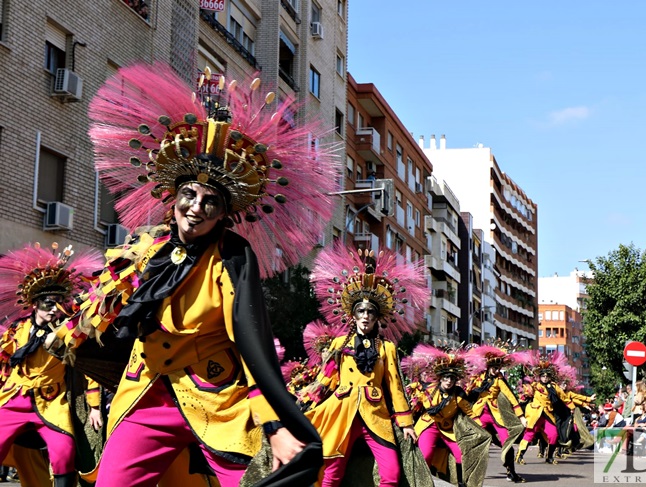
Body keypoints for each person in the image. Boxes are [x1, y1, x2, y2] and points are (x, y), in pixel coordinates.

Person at [53, 63, 339, 487]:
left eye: (210, 202)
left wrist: (275, 426)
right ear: (173, 198)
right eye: (189, 194)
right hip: (145, 393)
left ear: (224, 213)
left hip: (218, 400)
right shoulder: (144, 250)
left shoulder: (232, 257)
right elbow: (102, 313)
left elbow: (250, 344)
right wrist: (77, 328)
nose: (196, 207)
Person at [305, 245, 429, 487]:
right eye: (360, 311)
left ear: (377, 317)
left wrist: (406, 423)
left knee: (391, 475)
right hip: (342, 411)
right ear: (352, 315)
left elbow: (395, 387)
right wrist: (305, 401)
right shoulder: (339, 344)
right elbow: (327, 378)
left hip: (375, 414)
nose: (365, 316)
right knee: (331, 475)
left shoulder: (387, 349)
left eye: (370, 312)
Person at [0, 243, 103, 487]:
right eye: (48, 303)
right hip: (15, 398)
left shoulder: (69, 334)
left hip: (53, 401)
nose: (54, 309)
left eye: (59, 303)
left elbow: (89, 368)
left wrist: (95, 407)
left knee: (63, 453)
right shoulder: (17, 331)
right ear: (34, 304)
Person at [409, 345, 487, 487]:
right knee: (424, 455)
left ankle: (462, 483)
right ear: (440, 378)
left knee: (462, 455)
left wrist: (481, 430)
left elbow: (470, 413)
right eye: (446, 377)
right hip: (429, 424)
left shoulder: (458, 394)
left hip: (448, 428)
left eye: (452, 378)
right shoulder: (428, 390)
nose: (449, 381)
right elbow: (415, 407)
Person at [466, 343, 527, 483]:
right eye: (494, 368)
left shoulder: (499, 380)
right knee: (472, 444)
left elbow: (511, 397)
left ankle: (511, 472)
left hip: (495, 415)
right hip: (479, 414)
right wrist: (473, 390)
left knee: (507, 444)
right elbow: (467, 393)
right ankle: (470, 473)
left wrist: (521, 417)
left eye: (498, 368)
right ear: (488, 367)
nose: (496, 370)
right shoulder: (478, 377)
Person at [516, 352, 576, 465]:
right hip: (535, 413)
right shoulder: (535, 385)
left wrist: (572, 408)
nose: (544, 378)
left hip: (548, 414)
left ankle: (549, 457)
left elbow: (564, 398)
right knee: (530, 434)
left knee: (554, 434)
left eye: (546, 376)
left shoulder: (554, 387)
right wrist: (524, 392)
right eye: (542, 376)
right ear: (540, 377)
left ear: (549, 377)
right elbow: (526, 392)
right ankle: (519, 455)